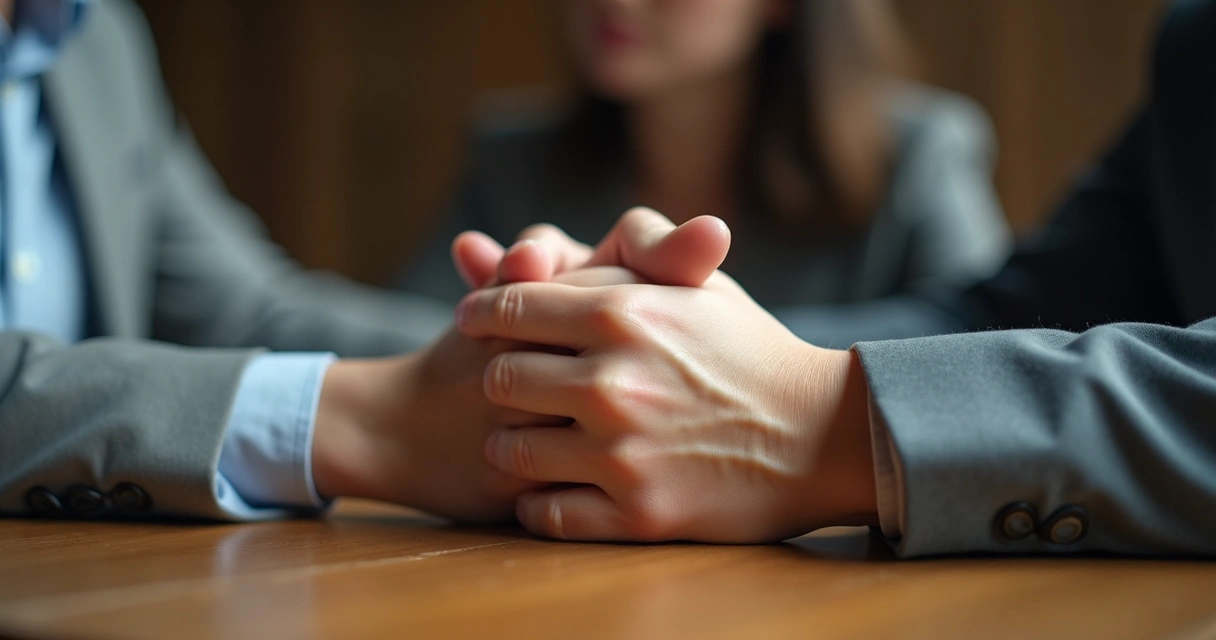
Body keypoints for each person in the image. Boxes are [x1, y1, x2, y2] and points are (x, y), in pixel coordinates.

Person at [450, 0, 1216, 556]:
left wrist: (819, 422)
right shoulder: (1196, 48)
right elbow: (1002, 316)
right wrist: (636, 330)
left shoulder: (915, 151)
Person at [0, 0, 719, 524]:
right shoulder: (515, 156)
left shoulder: (97, 40)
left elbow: (247, 309)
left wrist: (574, 351)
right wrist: (361, 421)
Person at [398, 0, 1010, 345]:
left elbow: (984, 349)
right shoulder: (513, 159)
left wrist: (637, 334)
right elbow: (405, 340)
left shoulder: (917, 153)